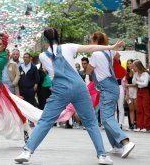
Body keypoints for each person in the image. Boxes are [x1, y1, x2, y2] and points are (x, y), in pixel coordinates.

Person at [15, 28, 124, 165]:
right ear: (58, 37)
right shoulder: (68, 47)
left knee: (45, 121)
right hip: (79, 87)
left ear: (45, 40)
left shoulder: (43, 56)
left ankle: (27, 151)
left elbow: (52, 74)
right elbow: (90, 47)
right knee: (91, 123)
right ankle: (102, 155)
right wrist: (111, 47)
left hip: (61, 89)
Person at [84, 32, 135, 161]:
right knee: (107, 117)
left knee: (106, 119)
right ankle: (116, 145)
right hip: (112, 86)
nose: (90, 44)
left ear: (96, 41)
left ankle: (125, 142)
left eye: (91, 41)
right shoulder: (109, 52)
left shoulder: (96, 54)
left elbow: (88, 71)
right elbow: (117, 54)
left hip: (106, 87)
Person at [132, 60, 150, 131]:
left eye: (134, 66)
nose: (133, 67)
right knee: (139, 109)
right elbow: (133, 82)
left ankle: (146, 126)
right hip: (139, 91)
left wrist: (138, 81)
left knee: (146, 109)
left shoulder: (145, 74)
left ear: (138, 66)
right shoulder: (136, 73)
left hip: (145, 91)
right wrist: (139, 81)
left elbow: (145, 84)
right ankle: (139, 126)